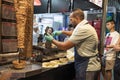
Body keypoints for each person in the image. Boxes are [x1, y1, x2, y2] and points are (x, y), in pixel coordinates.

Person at [45, 9, 101, 80]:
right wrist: (62, 32)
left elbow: (64, 46)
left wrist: (51, 39)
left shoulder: (83, 29)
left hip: (87, 66)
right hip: (85, 64)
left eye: (71, 19)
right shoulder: (85, 26)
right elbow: (74, 33)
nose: (70, 22)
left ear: (77, 18)